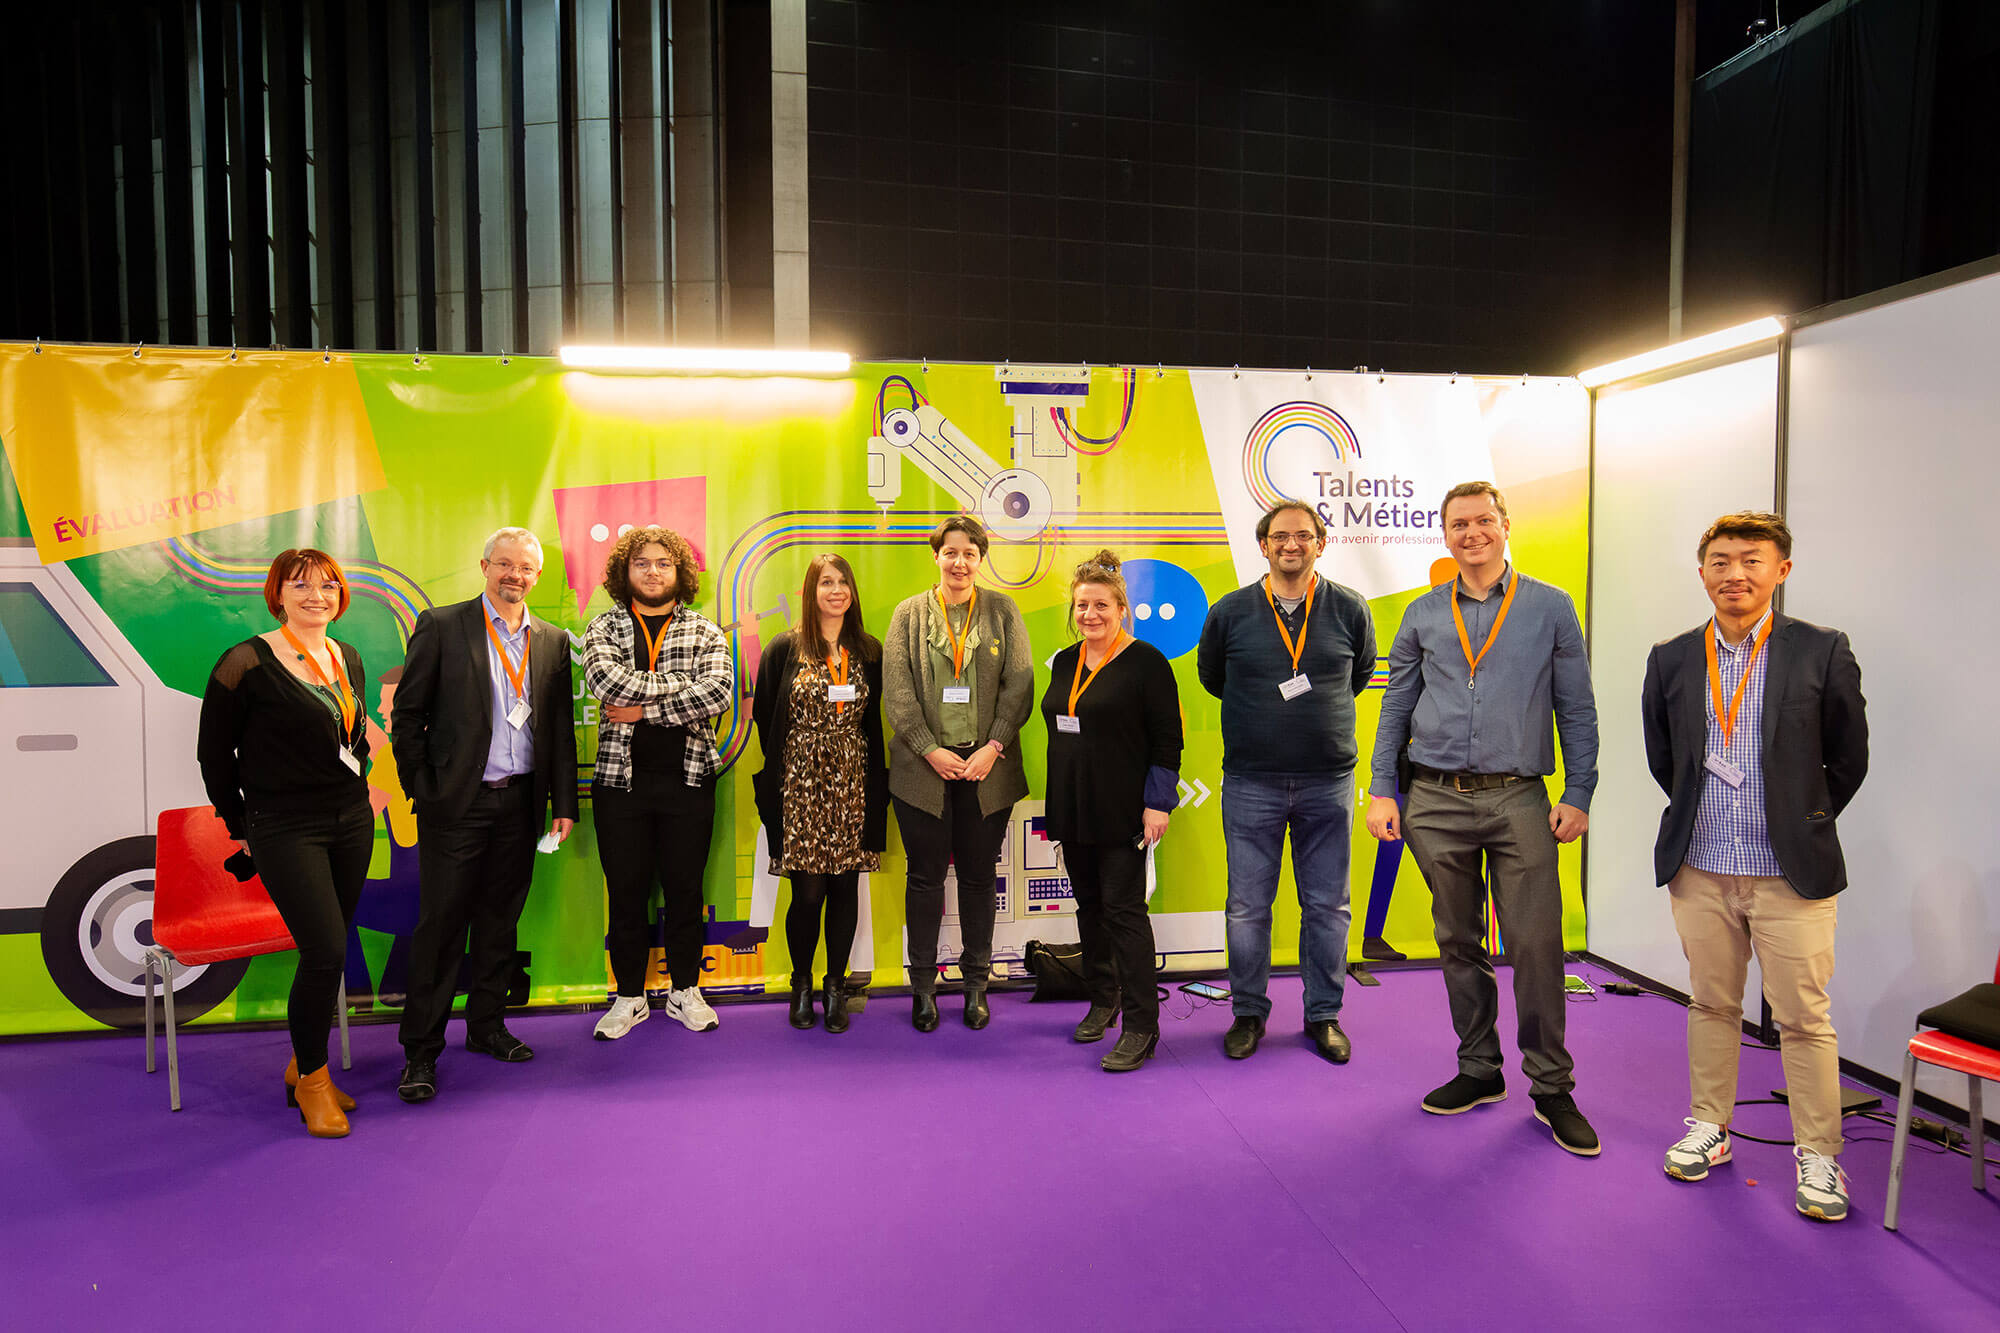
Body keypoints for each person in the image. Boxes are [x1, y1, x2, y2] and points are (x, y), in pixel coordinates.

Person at [1643, 511, 1868, 1222]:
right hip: (1702, 865)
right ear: (1702, 571)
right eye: (1720, 560)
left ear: (1781, 571)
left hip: (1788, 872)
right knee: (1712, 1003)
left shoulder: (1821, 650)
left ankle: (1819, 1153)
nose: (1734, 573)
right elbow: (1664, 757)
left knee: (1803, 1017)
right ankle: (1710, 1126)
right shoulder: (1672, 657)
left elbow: (1848, 757)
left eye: (1751, 560)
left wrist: (1804, 818)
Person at [1366, 481, 1601, 1156]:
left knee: (1535, 943)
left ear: (1505, 525)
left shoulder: (1551, 607)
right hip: (1434, 798)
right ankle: (1479, 1068)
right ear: (1444, 534)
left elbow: (1576, 707)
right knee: (1457, 939)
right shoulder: (1422, 613)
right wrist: (1382, 789)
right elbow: (1396, 706)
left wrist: (1579, 790)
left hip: (1518, 796)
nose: (1472, 533)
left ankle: (1551, 1087)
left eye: (1483, 520)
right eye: (1458, 524)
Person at [391, 528, 578, 1103]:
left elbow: (559, 730)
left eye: (525, 568)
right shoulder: (443, 626)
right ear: (484, 566)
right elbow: (408, 716)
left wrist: (563, 803)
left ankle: (487, 1027)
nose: (514, 575)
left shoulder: (552, 641)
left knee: (500, 923)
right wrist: (426, 788)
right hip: (458, 804)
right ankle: (421, 1051)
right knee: (441, 928)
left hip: (521, 804)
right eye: (504, 564)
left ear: (536, 577)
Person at [196, 549, 373, 1138]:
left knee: (333, 952)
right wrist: (239, 824)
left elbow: (351, 734)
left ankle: (304, 1063)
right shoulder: (244, 662)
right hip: (284, 826)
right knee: (323, 951)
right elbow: (213, 754)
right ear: (278, 594)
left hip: (351, 821)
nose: (316, 597)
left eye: (327, 586)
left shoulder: (346, 655)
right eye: (300, 586)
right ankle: (313, 1084)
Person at [1196, 500, 1375, 1063]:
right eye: (1279, 536)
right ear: (1264, 545)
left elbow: (1360, 674)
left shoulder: (1349, 608)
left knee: (1327, 907)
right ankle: (1248, 1013)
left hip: (1328, 782)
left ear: (1321, 543)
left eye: (1303, 535)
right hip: (1252, 781)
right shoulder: (1229, 612)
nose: (1291, 545)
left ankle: (1323, 1015)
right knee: (1248, 908)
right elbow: (1213, 677)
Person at [582, 525, 735, 1040]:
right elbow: (605, 682)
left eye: (663, 563)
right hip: (618, 784)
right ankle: (628, 997)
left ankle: (684, 991)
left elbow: (717, 694)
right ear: (625, 571)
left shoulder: (705, 631)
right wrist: (679, 690)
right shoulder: (604, 627)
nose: (653, 572)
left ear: (679, 572)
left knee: (685, 892)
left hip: (688, 782)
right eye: (642, 563)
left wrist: (642, 709)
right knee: (626, 894)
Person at [882, 515, 1034, 1031]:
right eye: (950, 552)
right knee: (924, 879)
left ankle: (975, 987)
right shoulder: (907, 615)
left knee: (977, 878)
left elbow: (1019, 684)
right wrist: (929, 750)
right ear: (936, 556)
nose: (960, 562)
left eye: (970, 553)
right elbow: (897, 691)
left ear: (981, 558)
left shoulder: (1002, 610)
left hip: (986, 768)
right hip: (922, 771)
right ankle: (923, 988)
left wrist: (994, 746)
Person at [1040, 552, 1183, 1072]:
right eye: (1082, 605)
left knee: (1124, 915)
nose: (1090, 614)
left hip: (1124, 813)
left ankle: (1142, 1025)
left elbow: (1168, 741)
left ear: (1122, 608)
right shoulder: (1064, 660)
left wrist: (1157, 804)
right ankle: (1104, 999)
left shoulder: (1147, 662)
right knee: (1090, 910)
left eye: (1101, 605)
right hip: (1073, 807)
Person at [751, 553, 889, 1034]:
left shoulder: (868, 650)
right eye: (826, 582)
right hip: (799, 785)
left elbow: (874, 719)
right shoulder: (784, 647)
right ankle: (802, 983)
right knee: (808, 892)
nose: (836, 590)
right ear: (811, 591)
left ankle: (835, 985)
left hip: (853, 782)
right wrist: (802, 756)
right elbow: (764, 713)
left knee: (846, 888)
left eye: (843, 582)